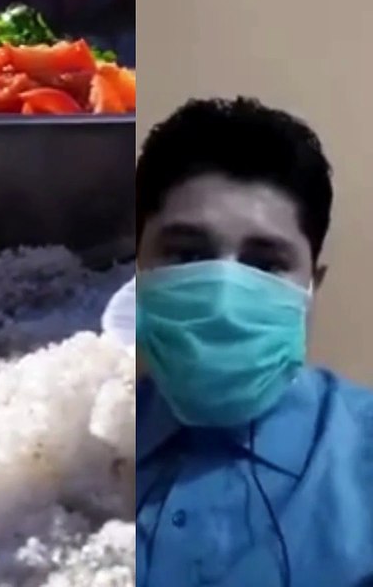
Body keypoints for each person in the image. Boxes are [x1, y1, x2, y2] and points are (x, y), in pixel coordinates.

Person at [135, 97, 373, 586]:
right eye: (187, 254)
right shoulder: (65, 449)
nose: (223, 296)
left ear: (312, 287)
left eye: (265, 264)